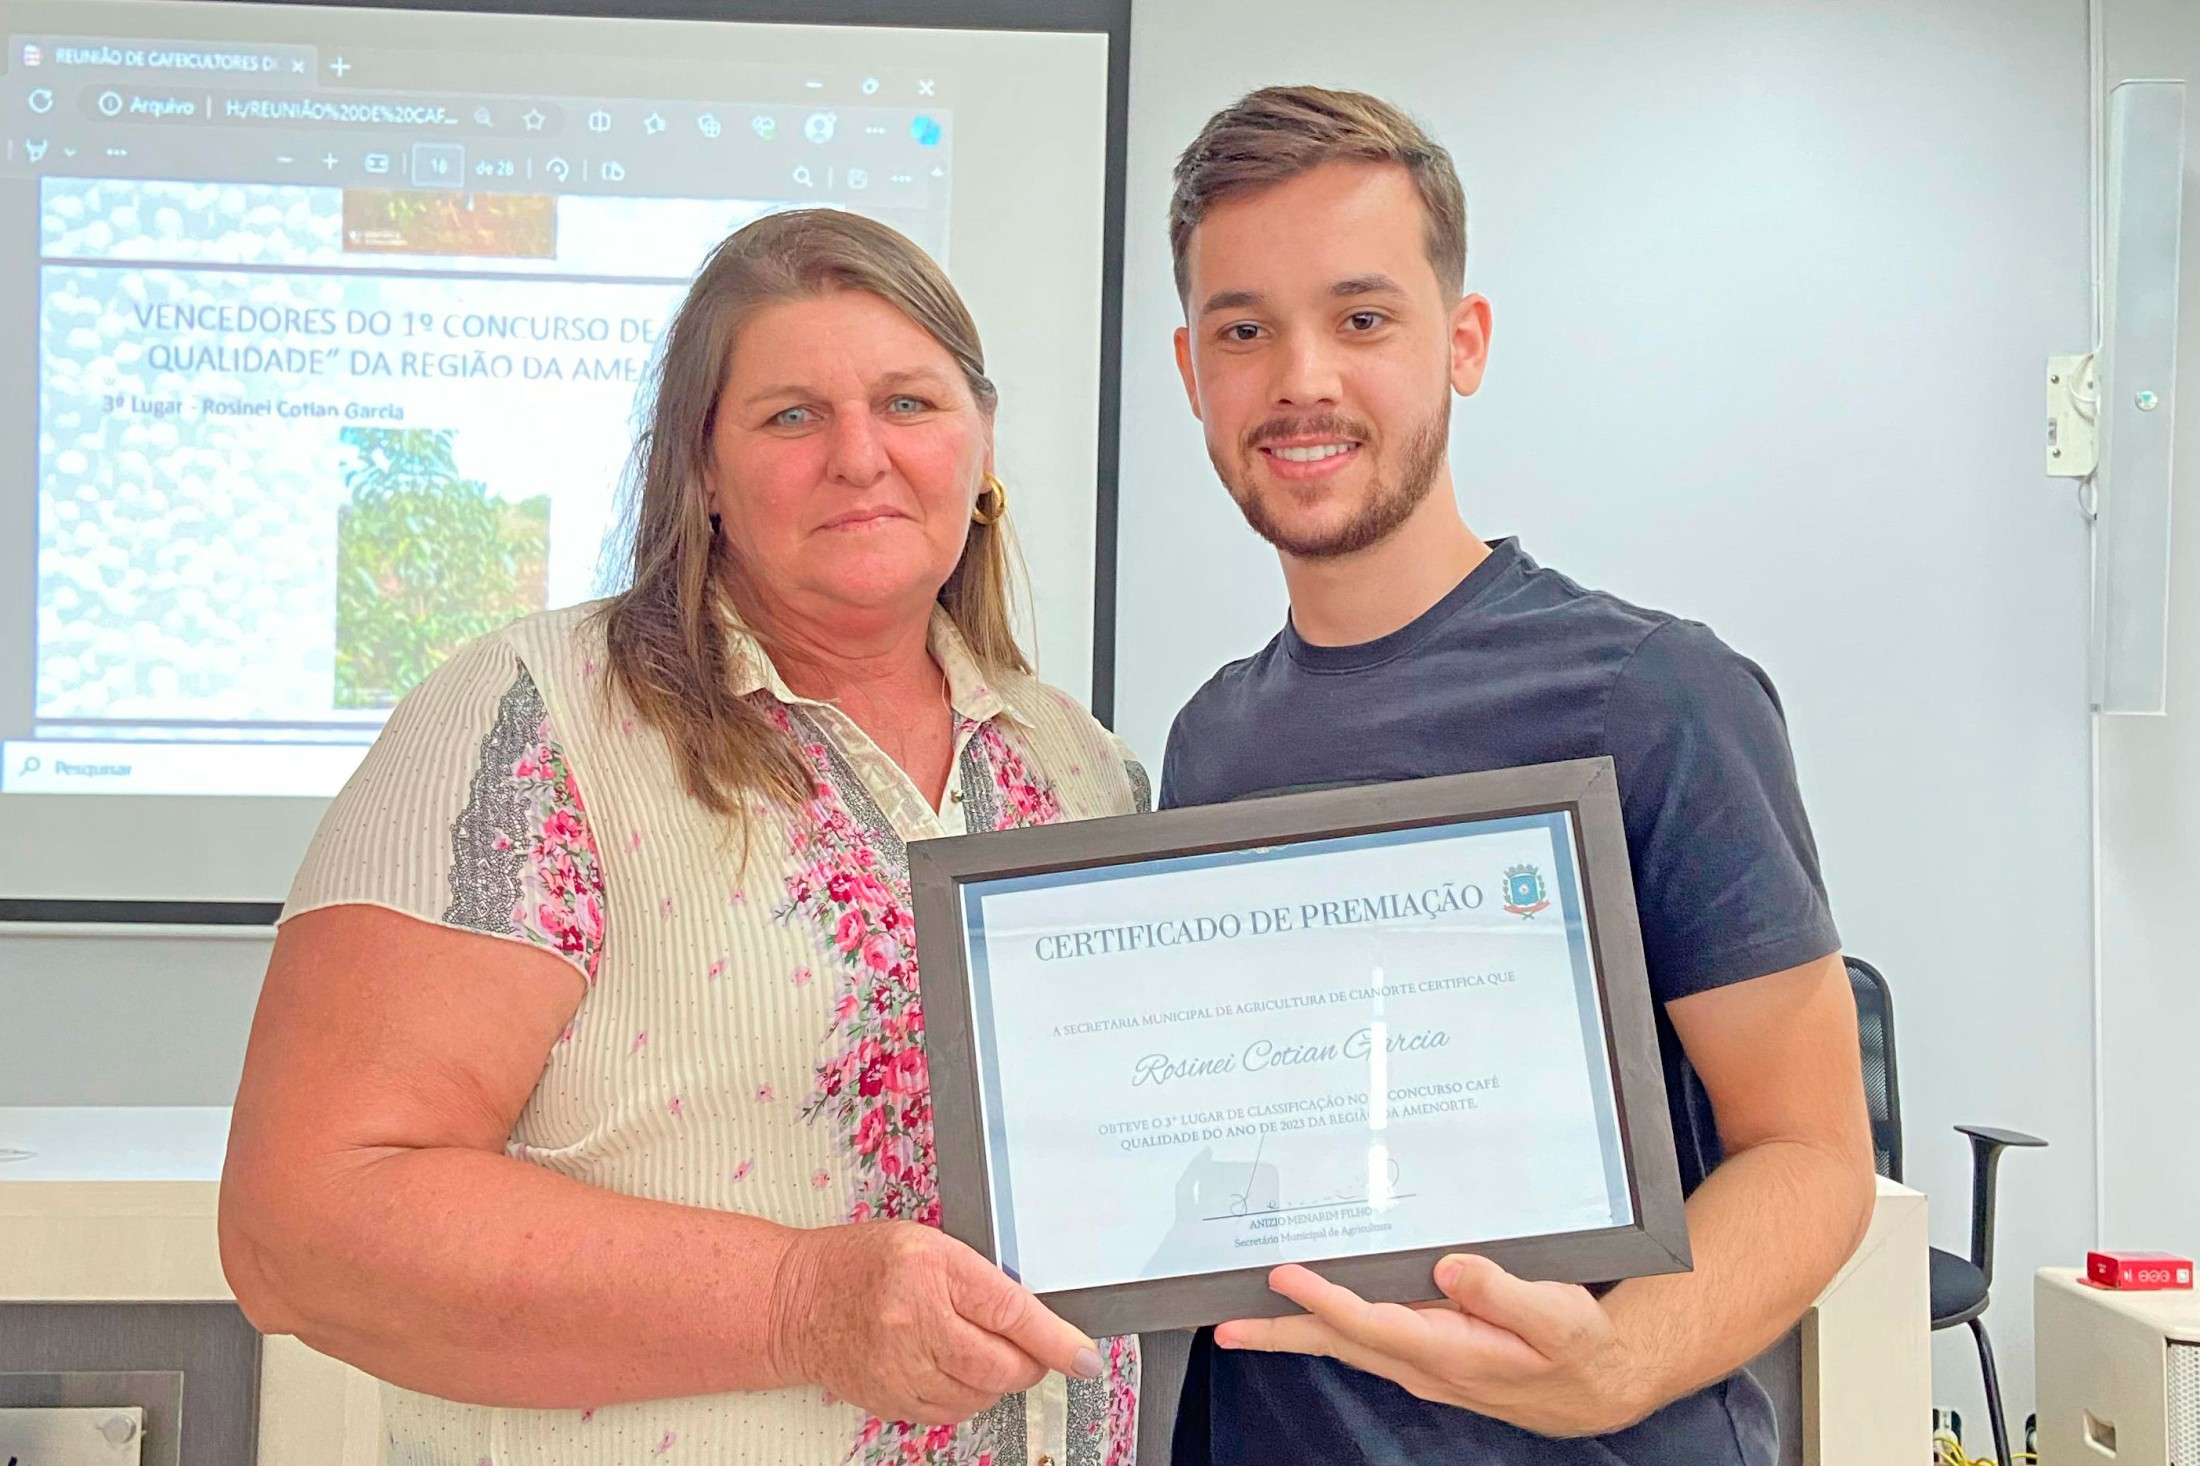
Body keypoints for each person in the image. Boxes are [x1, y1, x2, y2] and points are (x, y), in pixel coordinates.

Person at [218, 209, 1145, 1466]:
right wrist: (795, 1303)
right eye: (790, 416)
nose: (860, 456)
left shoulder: (1079, 763)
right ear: (702, 469)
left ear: (979, 439)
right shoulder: (537, 720)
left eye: (908, 403)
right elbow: (303, 1229)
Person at [1156, 87, 1876, 1465]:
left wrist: (1617, 1364)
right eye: (1244, 330)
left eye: (1362, 318)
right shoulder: (1208, 741)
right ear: (1193, 370)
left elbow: (1812, 1154)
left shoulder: (1653, 692)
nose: (1301, 377)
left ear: (1462, 341)